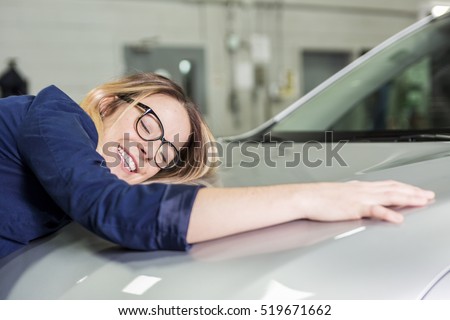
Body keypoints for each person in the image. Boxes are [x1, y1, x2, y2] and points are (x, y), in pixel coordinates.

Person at [0, 73, 435, 258]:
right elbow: (115, 209)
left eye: (166, 154)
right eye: (148, 125)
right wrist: (314, 194)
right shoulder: (53, 115)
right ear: (111, 103)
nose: (151, 152)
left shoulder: (65, 178)